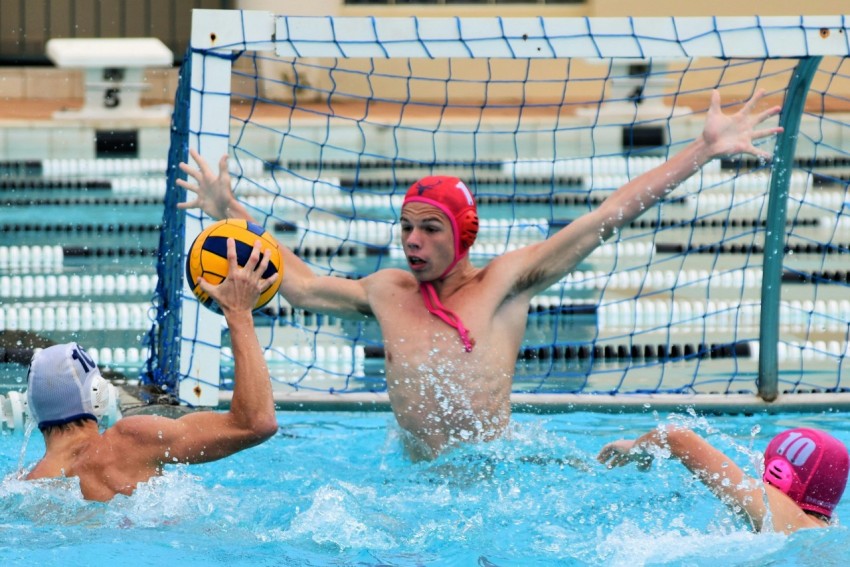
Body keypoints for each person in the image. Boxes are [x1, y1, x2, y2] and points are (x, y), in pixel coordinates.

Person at [178, 89, 782, 460]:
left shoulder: (505, 284)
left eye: (429, 228)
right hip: (415, 480)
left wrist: (702, 151)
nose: (412, 240)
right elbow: (301, 282)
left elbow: (606, 217)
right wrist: (231, 214)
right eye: (406, 227)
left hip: (494, 478)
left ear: (462, 235)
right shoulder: (386, 291)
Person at [24, 238, 280, 501]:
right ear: (99, 394)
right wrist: (238, 313)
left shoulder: (28, 485)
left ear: (31, 409)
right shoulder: (132, 441)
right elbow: (255, 424)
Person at [597, 425, 849, 533]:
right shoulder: (823, 529)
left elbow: (677, 438)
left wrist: (635, 449)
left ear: (778, 473)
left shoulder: (782, 514)